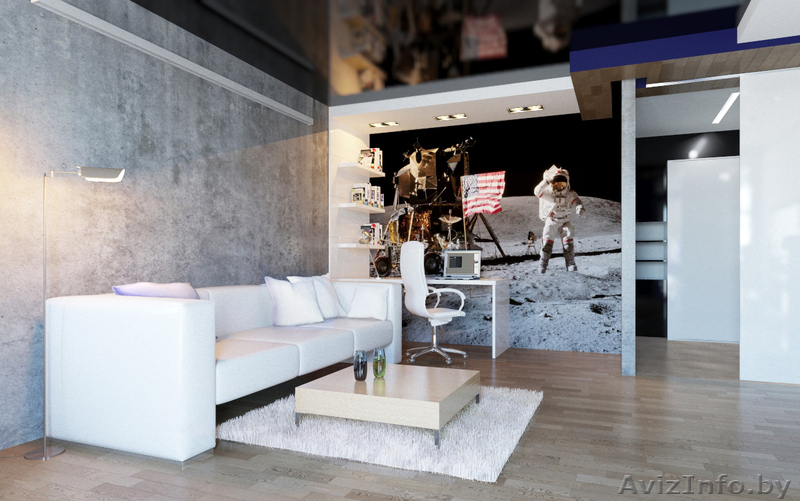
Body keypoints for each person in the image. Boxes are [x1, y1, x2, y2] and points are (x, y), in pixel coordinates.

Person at [534, 165, 585, 273]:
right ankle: (542, 265)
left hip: (565, 221)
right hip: (552, 221)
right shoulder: (549, 194)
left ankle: (571, 264)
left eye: (562, 184)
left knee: (568, 245)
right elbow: (537, 192)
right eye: (556, 183)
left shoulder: (569, 194)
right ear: (552, 183)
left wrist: (579, 207)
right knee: (547, 245)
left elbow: (576, 200)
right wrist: (546, 181)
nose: (559, 187)